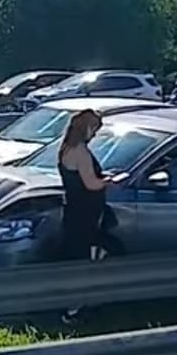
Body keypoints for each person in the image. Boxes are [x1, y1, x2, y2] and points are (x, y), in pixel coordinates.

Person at [57, 109, 115, 262]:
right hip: (85, 208)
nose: (95, 134)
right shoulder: (81, 152)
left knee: (73, 245)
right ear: (87, 128)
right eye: (94, 129)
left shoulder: (66, 148)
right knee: (82, 246)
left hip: (73, 206)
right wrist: (109, 181)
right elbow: (91, 184)